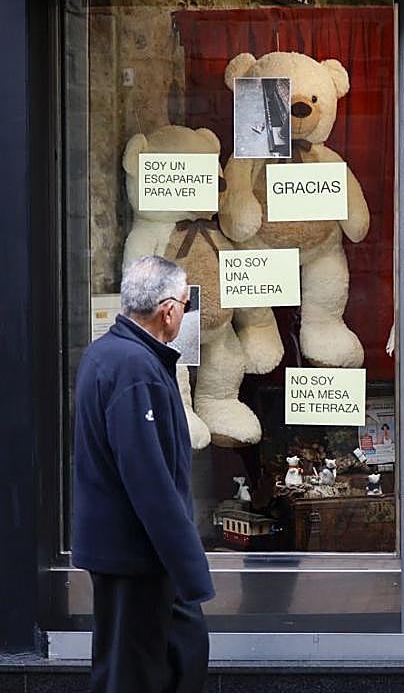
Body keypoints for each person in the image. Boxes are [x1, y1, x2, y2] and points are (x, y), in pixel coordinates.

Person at [72, 255, 214, 693]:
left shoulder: (109, 354)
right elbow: (148, 479)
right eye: (186, 305)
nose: (185, 315)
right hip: (138, 557)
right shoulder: (135, 368)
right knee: (136, 673)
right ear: (168, 310)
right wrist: (190, 568)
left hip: (130, 552)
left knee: (160, 658)